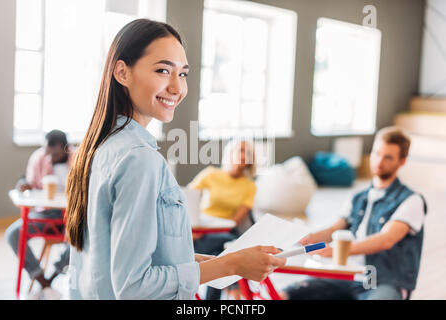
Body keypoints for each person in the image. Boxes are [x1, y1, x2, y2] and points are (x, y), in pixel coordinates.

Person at [65, 19, 286, 300]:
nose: (177, 87)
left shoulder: (98, 148)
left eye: (182, 74)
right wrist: (230, 263)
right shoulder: (139, 159)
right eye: (162, 71)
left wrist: (223, 263)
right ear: (122, 72)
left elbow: (117, 259)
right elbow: (134, 286)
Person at [280, 126, 427, 300]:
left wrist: (336, 251)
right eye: (377, 153)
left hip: (382, 281)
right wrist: (309, 238)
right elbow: (335, 229)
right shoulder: (358, 197)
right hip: (346, 275)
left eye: (388, 157)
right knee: (285, 295)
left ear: (402, 161)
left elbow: (386, 240)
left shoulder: (411, 200)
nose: (379, 162)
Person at [5, 130, 73, 298]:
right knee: (13, 234)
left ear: (64, 148)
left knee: (83, 237)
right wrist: (24, 184)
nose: (50, 157)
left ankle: (55, 275)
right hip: (46, 215)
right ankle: (41, 279)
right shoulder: (39, 157)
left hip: (71, 217)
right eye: (47, 152)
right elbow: (29, 183)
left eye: (54, 153)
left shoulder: (78, 158)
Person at [189, 139, 257, 299]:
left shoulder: (249, 186)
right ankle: (232, 290)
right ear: (230, 153)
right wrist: (192, 229)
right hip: (201, 232)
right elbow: (186, 199)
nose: (243, 155)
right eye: (240, 150)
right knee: (226, 251)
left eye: (247, 153)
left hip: (224, 231)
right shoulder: (211, 174)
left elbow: (235, 221)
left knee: (224, 248)